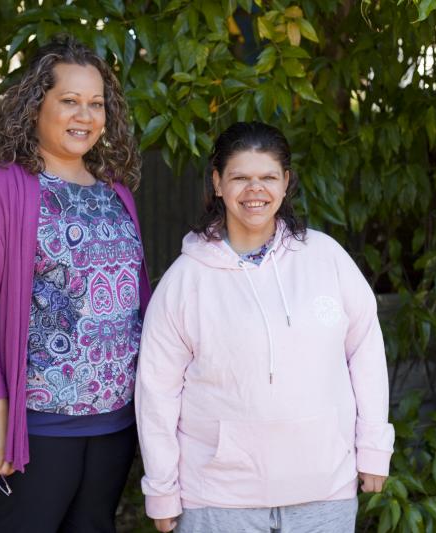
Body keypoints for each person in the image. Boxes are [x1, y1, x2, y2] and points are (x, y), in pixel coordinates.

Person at [135, 121, 395, 533]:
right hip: (219, 498)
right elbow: (157, 391)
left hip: (324, 490)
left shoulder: (326, 259)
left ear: (286, 182)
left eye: (268, 177)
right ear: (218, 183)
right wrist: (162, 489)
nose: (255, 190)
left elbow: (365, 351)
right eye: (240, 177)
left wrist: (374, 449)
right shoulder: (186, 280)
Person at [0, 35, 149, 532]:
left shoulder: (114, 189)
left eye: (96, 104)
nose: (85, 115)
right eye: (70, 101)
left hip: (112, 420)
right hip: (31, 424)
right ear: (36, 105)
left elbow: (135, 296)